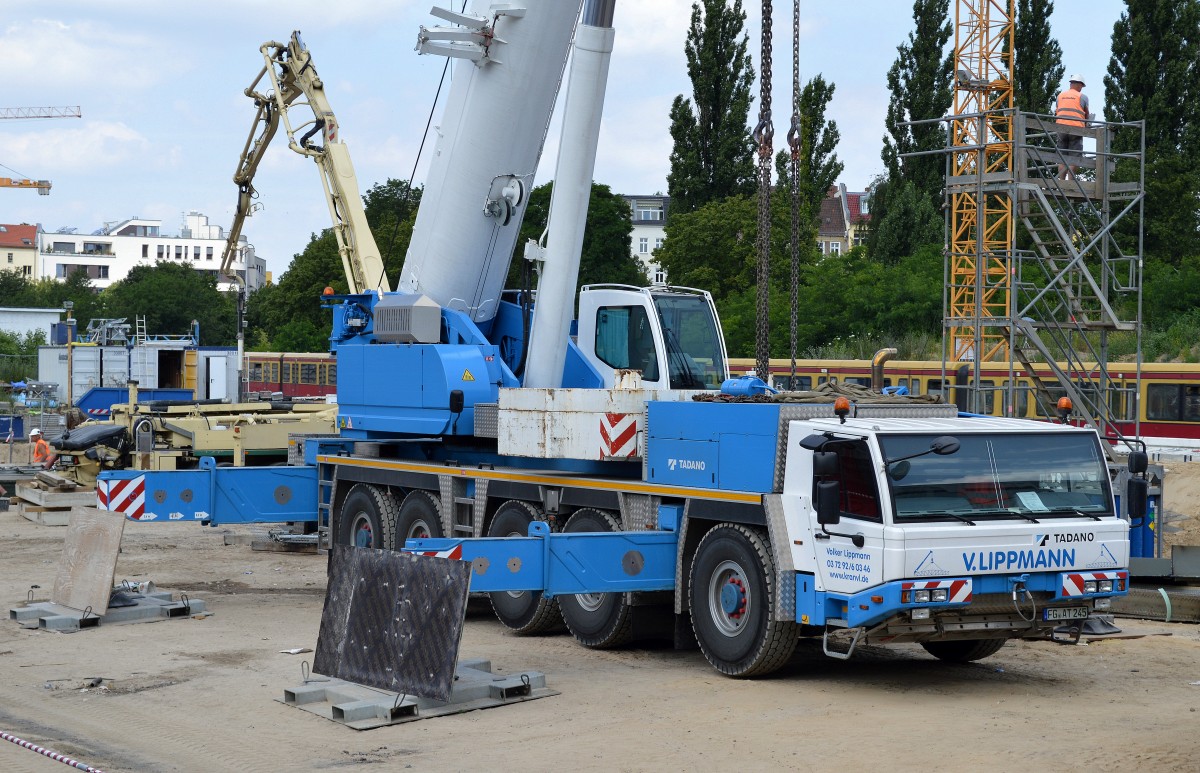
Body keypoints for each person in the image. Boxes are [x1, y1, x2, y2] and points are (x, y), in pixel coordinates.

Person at [1055, 74, 1094, 180]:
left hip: (1060, 128)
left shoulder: (1060, 96)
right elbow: (1086, 114)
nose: (1081, 88)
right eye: (1081, 86)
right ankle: (1071, 182)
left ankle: (1062, 182)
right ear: (1079, 84)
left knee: (1062, 157)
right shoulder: (1083, 97)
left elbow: (1057, 111)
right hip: (1076, 129)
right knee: (1074, 157)